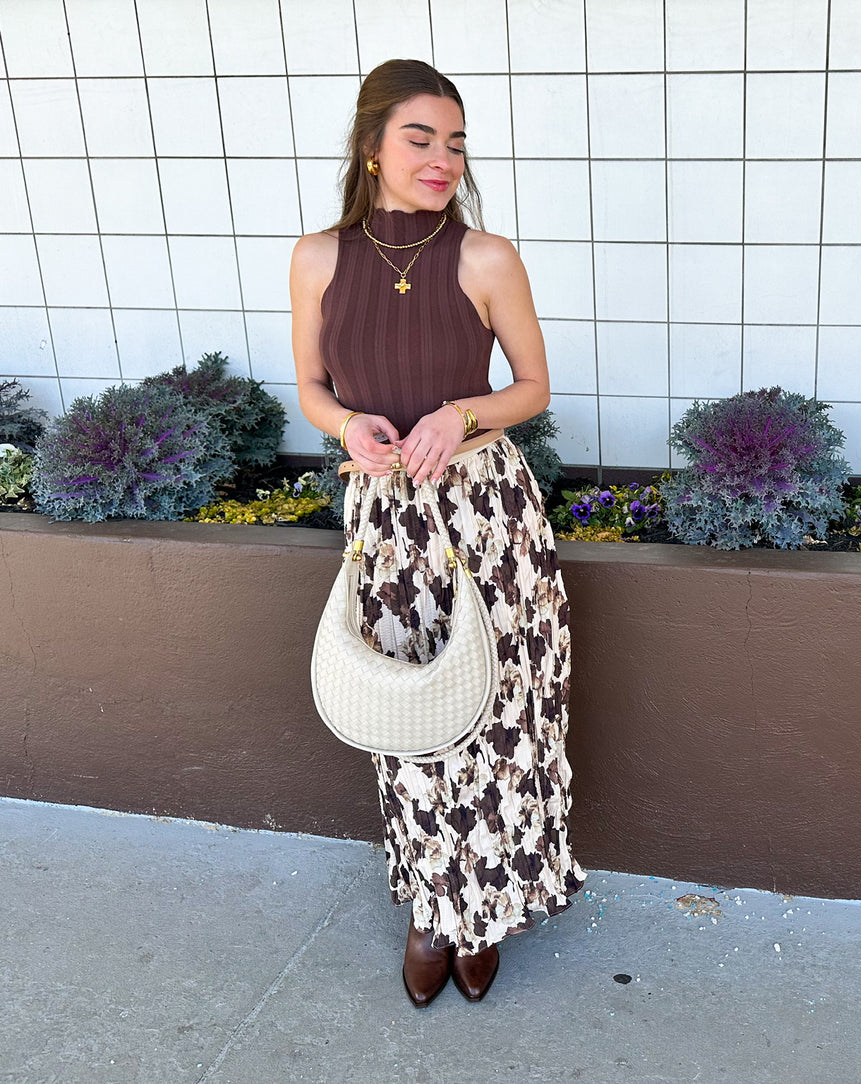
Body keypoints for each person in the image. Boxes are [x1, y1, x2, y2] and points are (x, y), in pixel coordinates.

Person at [289, 58, 587, 1007]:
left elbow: (532, 388)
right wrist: (348, 427)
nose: (442, 158)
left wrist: (460, 415)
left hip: (486, 513)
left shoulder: (485, 257)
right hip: (384, 519)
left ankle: (487, 906)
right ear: (371, 148)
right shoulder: (317, 258)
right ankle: (431, 907)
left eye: (455, 142)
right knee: (407, 714)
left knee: (499, 711)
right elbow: (312, 389)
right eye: (419, 138)